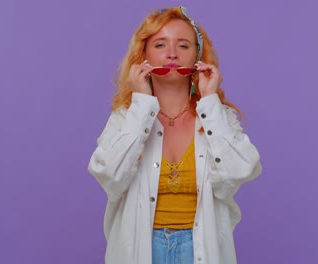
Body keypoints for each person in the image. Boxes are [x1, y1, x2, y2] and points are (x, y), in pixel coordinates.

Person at [88, 6, 262, 264]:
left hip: (201, 249)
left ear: (197, 58)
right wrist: (141, 105)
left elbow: (240, 172)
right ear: (143, 55)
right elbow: (110, 178)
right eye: (160, 45)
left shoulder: (217, 116)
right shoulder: (126, 118)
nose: (171, 54)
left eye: (183, 46)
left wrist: (210, 101)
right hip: (141, 249)